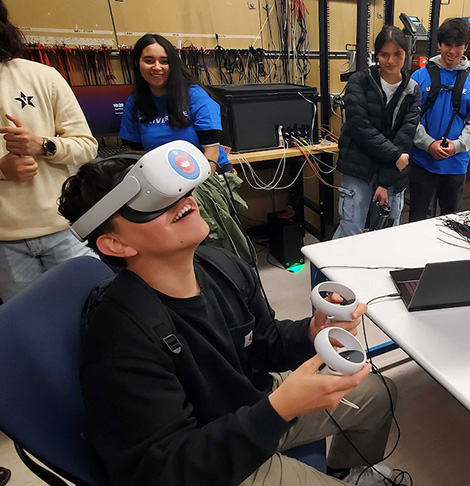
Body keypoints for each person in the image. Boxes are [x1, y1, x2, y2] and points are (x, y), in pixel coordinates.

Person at [58, 151, 399, 486]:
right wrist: (279, 409)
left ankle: (347, 470)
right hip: (208, 453)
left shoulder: (222, 266)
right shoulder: (120, 336)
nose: (182, 200)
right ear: (116, 244)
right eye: (151, 203)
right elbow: (163, 469)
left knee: (378, 393)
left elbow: (263, 343)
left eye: (173, 190)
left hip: (253, 404)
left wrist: (312, 332)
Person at [119, 33, 255, 266]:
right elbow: (135, 155)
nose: (157, 67)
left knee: (212, 240)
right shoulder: (136, 103)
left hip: (204, 175)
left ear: (173, 63)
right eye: (149, 60)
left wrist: (187, 190)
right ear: (137, 63)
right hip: (163, 184)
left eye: (164, 61)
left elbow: (211, 153)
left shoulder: (193, 95)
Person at [0, 0, 97, 302]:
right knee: (33, 326)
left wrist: (43, 145)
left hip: (64, 228)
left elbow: (87, 146)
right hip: (5, 244)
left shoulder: (43, 76)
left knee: (99, 312)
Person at [333, 25, 421, 239]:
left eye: (397, 54)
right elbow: (359, 127)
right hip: (359, 168)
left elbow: (405, 137)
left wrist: (384, 181)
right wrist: (394, 155)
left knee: (385, 237)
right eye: (384, 54)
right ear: (376, 55)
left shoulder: (412, 90)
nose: (391, 60)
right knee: (350, 233)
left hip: (392, 174)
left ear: (406, 54)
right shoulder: (359, 82)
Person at [409, 17, 470, 221]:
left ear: (466, 46)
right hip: (422, 161)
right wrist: (428, 144)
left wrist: (457, 146)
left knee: (451, 221)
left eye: (458, 45)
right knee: (416, 219)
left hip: (456, 163)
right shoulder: (419, 77)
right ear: (439, 45)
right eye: (447, 45)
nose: (452, 51)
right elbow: (410, 119)